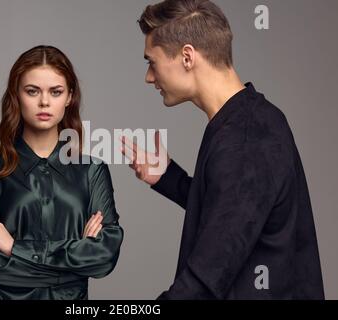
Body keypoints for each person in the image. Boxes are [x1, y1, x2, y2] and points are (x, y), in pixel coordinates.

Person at [121, 0, 324, 299]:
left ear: (187, 56)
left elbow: (206, 278)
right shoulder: (246, 121)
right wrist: (168, 178)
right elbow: (232, 216)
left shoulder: (245, 136)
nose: (149, 77)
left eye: (151, 62)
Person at [0, 45, 124, 300]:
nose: (45, 102)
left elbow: (104, 258)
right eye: (32, 91)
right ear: (16, 95)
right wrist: (77, 258)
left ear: (69, 97)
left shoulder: (92, 171)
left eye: (56, 91)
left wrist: (13, 247)